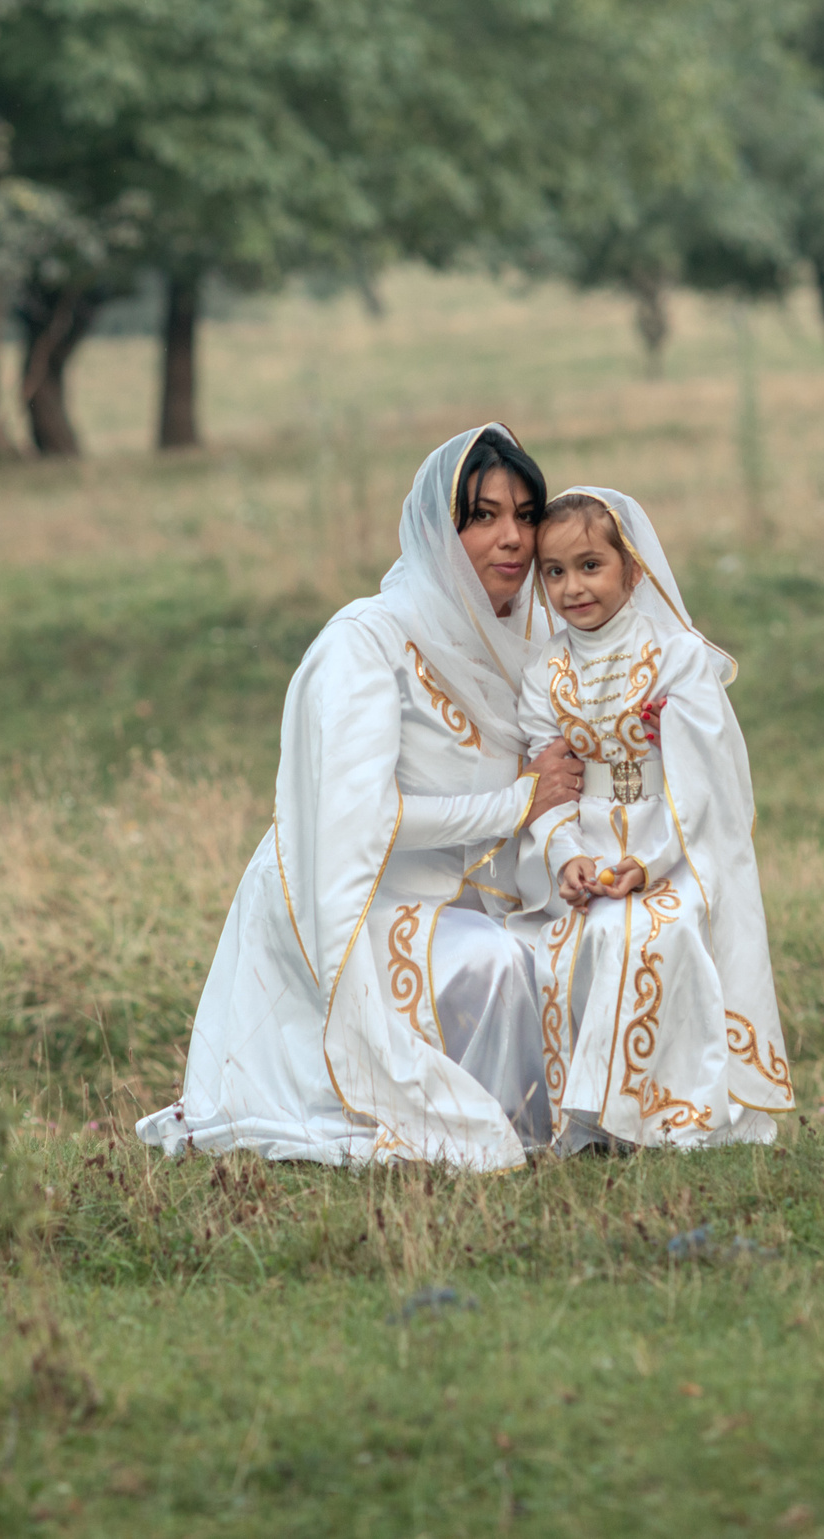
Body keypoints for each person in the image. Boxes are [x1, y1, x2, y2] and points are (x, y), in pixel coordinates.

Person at [137, 425, 585, 1169]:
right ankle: (508, 1132)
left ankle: (606, 1121)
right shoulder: (367, 642)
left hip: (469, 891)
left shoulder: (530, 638)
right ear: (437, 531)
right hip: (347, 905)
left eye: (526, 515)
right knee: (499, 962)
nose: (511, 537)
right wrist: (516, 804)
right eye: (482, 516)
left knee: (598, 935)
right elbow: (366, 820)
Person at [510, 487, 793, 1152]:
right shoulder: (545, 671)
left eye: (590, 565)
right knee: (564, 945)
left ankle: (664, 1113)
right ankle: (587, 1117)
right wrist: (567, 858)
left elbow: (705, 778)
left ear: (632, 569)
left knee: (644, 932)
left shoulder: (676, 656)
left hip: (675, 851)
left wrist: (650, 860)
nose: (573, 587)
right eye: (554, 572)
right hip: (589, 850)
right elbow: (546, 782)